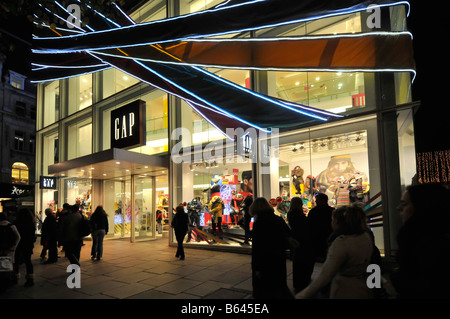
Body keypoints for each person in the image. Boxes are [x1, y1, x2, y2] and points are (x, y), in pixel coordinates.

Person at [296, 205, 374, 299]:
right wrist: (376, 288)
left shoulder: (341, 242)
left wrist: (302, 295)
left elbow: (325, 276)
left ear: (337, 222)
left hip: (344, 290)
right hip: (363, 289)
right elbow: (375, 265)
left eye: (332, 220)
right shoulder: (366, 236)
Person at [391, 183, 450, 299]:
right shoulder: (419, 242)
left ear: (422, 207)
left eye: (404, 204)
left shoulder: (425, 248)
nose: (398, 208)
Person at [250, 197, 294, 299]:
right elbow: (289, 236)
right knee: (279, 287)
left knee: (264, 291)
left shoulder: (258, 224)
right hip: (278, 258)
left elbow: (257, 249)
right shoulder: (278, 220)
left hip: (265, 262)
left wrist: (256, 267)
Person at [287, 196, 315, 293]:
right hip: (302, 240)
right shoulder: (297, 214)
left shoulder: (291, 213)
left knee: (297, 262)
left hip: (296, 239)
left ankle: (298, 282)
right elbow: (304, 226)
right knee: (302, 262)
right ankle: (302, 282)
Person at [13, 208, 37, 287]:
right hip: (28, 244)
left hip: (19, 244)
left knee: (16, 261)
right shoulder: (32, 223)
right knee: (28, 261)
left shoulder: (17, 223)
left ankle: (15, 277)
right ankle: (30, 279)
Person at [307, 193, 334, 262]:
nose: (315, 202)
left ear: (323, 201)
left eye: (317, 200)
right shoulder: (332, 211)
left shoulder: (313, 212)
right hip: (329, 236)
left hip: (317, 237)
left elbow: (309, 225)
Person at [0, 212, 20, 291]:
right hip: (10, 249)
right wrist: (13, 247)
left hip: (1, 249)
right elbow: (18, 237)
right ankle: (8, 281)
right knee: (7, 266)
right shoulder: (11, 226)